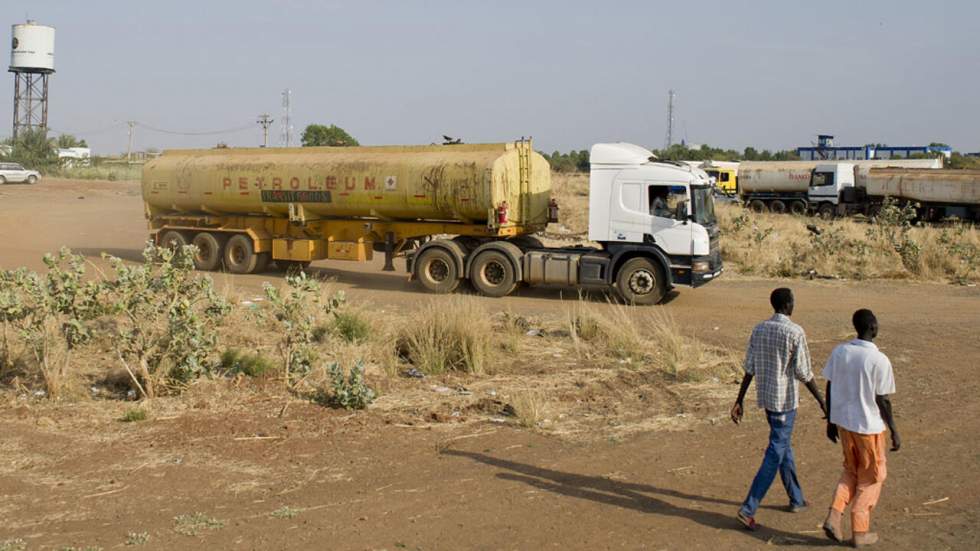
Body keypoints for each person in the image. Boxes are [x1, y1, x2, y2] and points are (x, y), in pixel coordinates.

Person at [730, 287, 827, 531]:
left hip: (768, 400)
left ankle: (796, 498)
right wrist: (821, 400)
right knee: (775, 451)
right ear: (788, 305)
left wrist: (739, 399)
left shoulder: (759, 329)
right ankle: (748, 508)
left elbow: (749, 367)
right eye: (793, 302)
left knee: (783, 447)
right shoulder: (795, 332)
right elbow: (804, 373)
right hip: (785, 402)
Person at [821, 309, 900, 547]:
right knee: (873, 477)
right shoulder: (879, 360)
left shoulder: (840, 351)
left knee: (851, 470)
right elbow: (882, 399)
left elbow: (829, 385)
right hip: (868, 428)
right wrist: (894, 429)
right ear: (873, 327)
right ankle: (859, 531)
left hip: (844, 423)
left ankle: (835, 513)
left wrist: (830, 419)